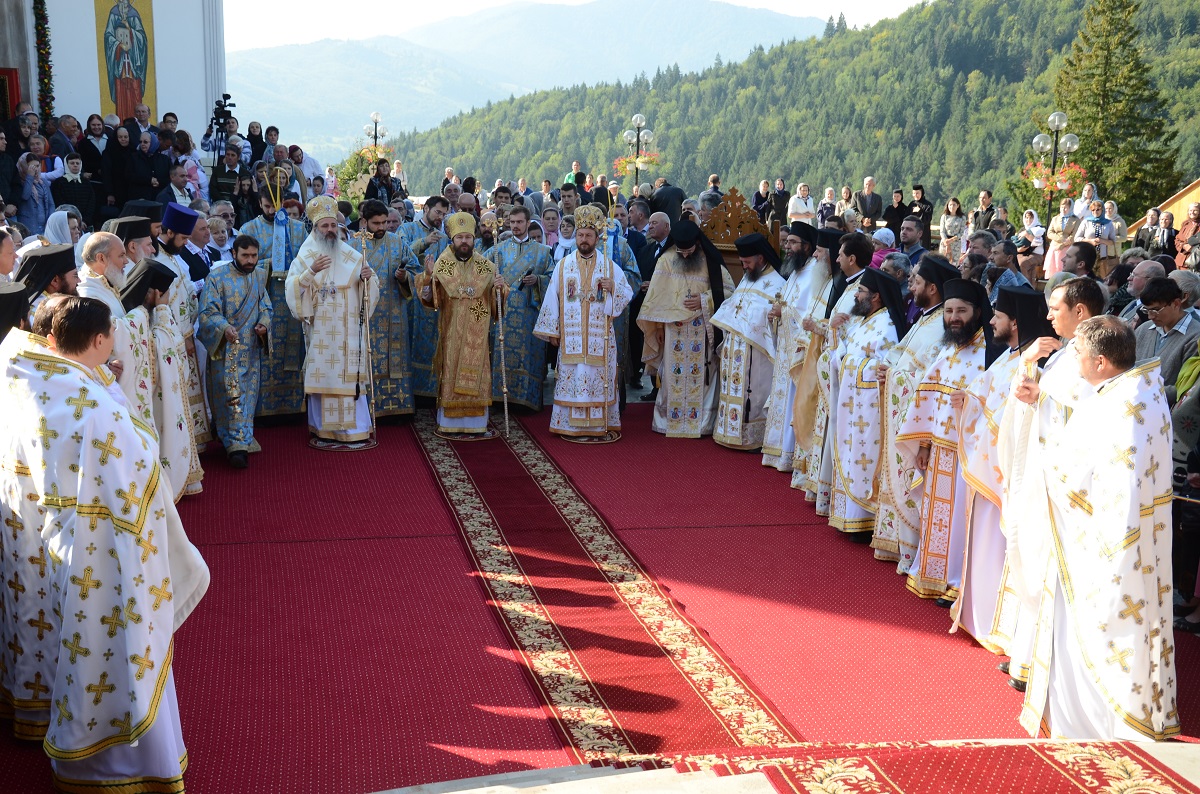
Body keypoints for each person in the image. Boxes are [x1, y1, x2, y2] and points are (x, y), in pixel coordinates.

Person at [0, 294, 209, 791]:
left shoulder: (35, 382)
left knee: (73, 645)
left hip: (56, 539)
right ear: (100, 340)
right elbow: (142, 465)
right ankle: (117, 766)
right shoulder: (95, 407)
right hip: (109, 551)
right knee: (112, 652)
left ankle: (69, 744)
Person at [1022, 316, 1178, 741]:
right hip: (1125, 538)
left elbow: (1112, 486)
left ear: (1103, 362)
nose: (1075, 365)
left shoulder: (1124, 407)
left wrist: (1050, 466)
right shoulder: (1137, 390)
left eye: (1080, 357)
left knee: (1102, 635)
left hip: (1107, 546)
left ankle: (1097, 728)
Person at [999, 276, 1105, 688]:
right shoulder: (1064, 352)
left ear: (1080, 311)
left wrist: (1039, 397)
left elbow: (1091, 415)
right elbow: (1046, 400)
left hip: (1066, 484)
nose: (1047, 315)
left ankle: (1044, 664)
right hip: (1042, 472)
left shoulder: (1096, 353)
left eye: (1055, 308)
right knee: (1031, 557)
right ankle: (1026, 655)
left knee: (1050, 564)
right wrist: (1030, 385)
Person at [952, 285, 1055, 657]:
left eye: (997, 316)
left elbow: (1013, 414)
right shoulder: (1010, 356)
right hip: (986, 462)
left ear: (1014, 322)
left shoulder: (1031, 365)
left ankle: (997, 624)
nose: (991, 320)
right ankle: (978, 616)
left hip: (1005, 469)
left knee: (1000, 544)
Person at [894, 278, 993, 600]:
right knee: (938, 519)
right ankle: (933, 573)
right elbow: (927, 398)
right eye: (949, 310)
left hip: (968, 455)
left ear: (977, 312)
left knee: (962, 521)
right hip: (939, 453)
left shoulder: (990, 355)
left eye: (961, 310)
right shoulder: (948, 350)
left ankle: (957, 581)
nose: (953, 317)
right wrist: (923, 445)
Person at [870, 256, 959, 562]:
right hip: (901, 412)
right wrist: (888, 368)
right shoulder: (925, 317)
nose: (911, 284)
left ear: (932, 288)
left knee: (910, 481)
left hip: (915, 421)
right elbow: (901, 352)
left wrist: (892, 375)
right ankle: (894, 542)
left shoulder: (940, 326)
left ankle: (907, 549)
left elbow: (926, 379)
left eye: (917, 281)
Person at [286, 195, 380, 448]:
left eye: (333, 226)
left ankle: (357, 430)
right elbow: (292, 289)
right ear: (315, 228)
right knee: (325, 374)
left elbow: (371, 286)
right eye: (324, 226)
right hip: (323, 331)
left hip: (350, 328)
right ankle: (324, 431)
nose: (330, 230)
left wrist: (368, 278)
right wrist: (312, 271)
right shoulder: (306, 256)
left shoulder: (351, 254)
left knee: (350, 376)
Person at [535, 205, 633, 439]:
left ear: (597, 238)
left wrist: (614, 289)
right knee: (573, 375)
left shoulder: (609, 266)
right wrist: (552, 331)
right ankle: (569, 426)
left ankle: (599, 426)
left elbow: (627, 293)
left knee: (597, 378)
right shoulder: (563, 265)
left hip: (600, 338)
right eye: (580, 234)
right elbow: (552, 297)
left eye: (589, 235)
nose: (584, 239)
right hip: (571, 338)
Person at [824, 267, 907, 536]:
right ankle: (848, 515)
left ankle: (863, 520)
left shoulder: (888, 326)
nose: (856, 296)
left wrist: (847, 361)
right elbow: (848, 350)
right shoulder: (866, 320)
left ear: (876, 297)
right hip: (854, 403)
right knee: (851, 457)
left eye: (860, 291)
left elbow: (885, 365)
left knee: (864, 460)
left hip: (869, 407)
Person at [638, 219, 734, 437]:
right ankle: (670, 421)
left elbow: (729, 292)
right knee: (673, 376)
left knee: (703, 375)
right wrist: (659, 327)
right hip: (674, 331)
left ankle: (700, 424)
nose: (685, 256)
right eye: (681, 252)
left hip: (703, 329)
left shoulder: (710, 260)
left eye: (689, 251)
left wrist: (705, 300)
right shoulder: (666, 260)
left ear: (697, 243)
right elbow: (656, 299)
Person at [197, 234, 271, 468]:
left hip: (250, 350)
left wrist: (264, 324)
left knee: (248, 396)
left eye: (254, 255)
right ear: (234, 254)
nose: (250, 260)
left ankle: (241, 438)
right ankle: (235, 445)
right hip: (226, 350)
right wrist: (224, 327)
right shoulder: (217, 277)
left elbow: (265, 305)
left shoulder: (259, 275)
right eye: (245, 255)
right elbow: (208, 311)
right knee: (229, 396)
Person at [709, 233, 788, 450]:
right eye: (742, 262)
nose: (744, 267)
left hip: (757, 354)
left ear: (761, 259)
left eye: (747, 262)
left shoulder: (777, 284)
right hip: (735, 349)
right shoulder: (749, 277)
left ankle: (752, 438)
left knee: (754, 393)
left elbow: (777, 319)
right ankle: (729, 433)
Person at [761, 222, 829, 470]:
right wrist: (777, 313)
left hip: (799, 350)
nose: (786, 247)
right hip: (786, 348)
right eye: (786, 242)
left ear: (807, 246)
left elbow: (808, 314)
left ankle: (789, 453)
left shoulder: (812, 273)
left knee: (793, 399)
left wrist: (784, 311)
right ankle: (779, 449)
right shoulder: (795, 271)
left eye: (792, 243)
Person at [240, 182, 309, 417]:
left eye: (275, 206)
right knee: (263, 351)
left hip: (293, 300)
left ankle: (293, 407)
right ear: (260, 203)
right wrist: (268, 264)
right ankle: (262, 409)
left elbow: (309, 259)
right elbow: (241, 266)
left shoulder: (298, 229)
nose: (272, 211)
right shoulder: (250, 229)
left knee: (294, 348)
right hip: (263, 298)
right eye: (267, 206)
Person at [349, 199, 421, 419]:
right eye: (376, 223)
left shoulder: (397, 243)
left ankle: (397, 408)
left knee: (394, 359)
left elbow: (414, 269)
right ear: (364, 221)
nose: (381, 227)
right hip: (364, 315)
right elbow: (340, 278)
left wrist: (404, 277)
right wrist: (356, 277)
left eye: (384, 222)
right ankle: (366, 409)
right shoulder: (352, 245)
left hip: (393, 313)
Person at [151, 203, 212, 448]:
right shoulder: (156, 258)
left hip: (187, 332)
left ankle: (192, 442)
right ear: (169, 233)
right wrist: (184, 336)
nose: (187, 242)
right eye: (184, 237)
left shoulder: (175, 256)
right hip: (171, 336)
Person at [485, 204, 553, 411]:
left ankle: (526, 401)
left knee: (528, 355)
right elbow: (480, 275)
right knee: (501, 354)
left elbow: (553, 278)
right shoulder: (497, 250)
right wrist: (492, 282)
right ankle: (499, 399)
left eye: (519, 222)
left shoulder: (543, 252)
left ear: (528, 223)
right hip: (502, 314)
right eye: (512, 222)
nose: (515, 226)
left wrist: (539, 280)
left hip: (528, 314)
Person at [402, 195, 452, 399]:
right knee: (411, 341)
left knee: (432, 342)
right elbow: (402, 254)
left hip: (434, 298)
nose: (440, 217)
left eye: (444, 214)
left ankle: (431, 391)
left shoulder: (443, 238)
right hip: (411, 297)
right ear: (426, 209)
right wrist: (423, 242)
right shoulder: (407, 229)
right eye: (437, 212)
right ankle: (410, 390)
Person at [1133, 277, 1200, 405]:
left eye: (1156, 310)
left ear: (1176, 303)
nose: (1150, 316)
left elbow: (1186, 389)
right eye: (1146, 310)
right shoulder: (1144, 329)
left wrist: (1142, 393)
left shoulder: (1195, 337)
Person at [1075, 200, 1118, 278]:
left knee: (1100, 279)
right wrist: (1090, 241)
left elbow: (1112, 241)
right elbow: (1077, 238)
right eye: (1093, 210)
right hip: (1086, 256)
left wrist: (1102, 241)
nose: (1095, 212)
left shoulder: (1108, 223)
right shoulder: (1086, 222)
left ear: (1102, 210)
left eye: (1098, 209)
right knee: (1085, 278)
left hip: (1102, 257)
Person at [1175, 202, 1200, 270]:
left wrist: (1192, 248)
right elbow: (1177, 239)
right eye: (1190, 210)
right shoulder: (1185, 224)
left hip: (1195, 261)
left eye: (1195, 210)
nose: (1192, 212)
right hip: (1180, 260)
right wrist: (1183, 246)